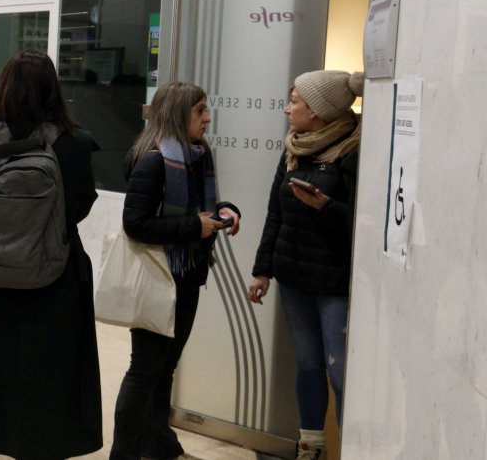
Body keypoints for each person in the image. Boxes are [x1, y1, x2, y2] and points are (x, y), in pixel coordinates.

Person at [0, 49, 103, 460]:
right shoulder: (77, 142)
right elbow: (79, 206)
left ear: (4, 86)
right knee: (45, 389)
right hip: (55, 282)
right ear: (54, 88)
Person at [109, 81, 243, 460]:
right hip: (159, 277)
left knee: (165, 368)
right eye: (200, 110)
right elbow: (136, 224)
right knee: (145, 371)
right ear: (177, 114)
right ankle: (125, 454)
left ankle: (159, 447)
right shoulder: (153, 160)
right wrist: (194, 227)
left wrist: (225, 212)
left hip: (187, 275)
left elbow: (197, 211)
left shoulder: (197, 155)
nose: (208, 118)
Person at [248, 70, 363, 460]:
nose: (287, 108)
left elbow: (363, 224)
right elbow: (274, 212)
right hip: (292, 277)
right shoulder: (294, 148)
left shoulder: (355, 150)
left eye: (294, 101)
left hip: (334, 285)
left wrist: (326, 207)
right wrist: (262, 269)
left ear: (316, 111)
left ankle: (354, 449)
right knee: (309, 366)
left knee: (341, 373)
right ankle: (310, 448)